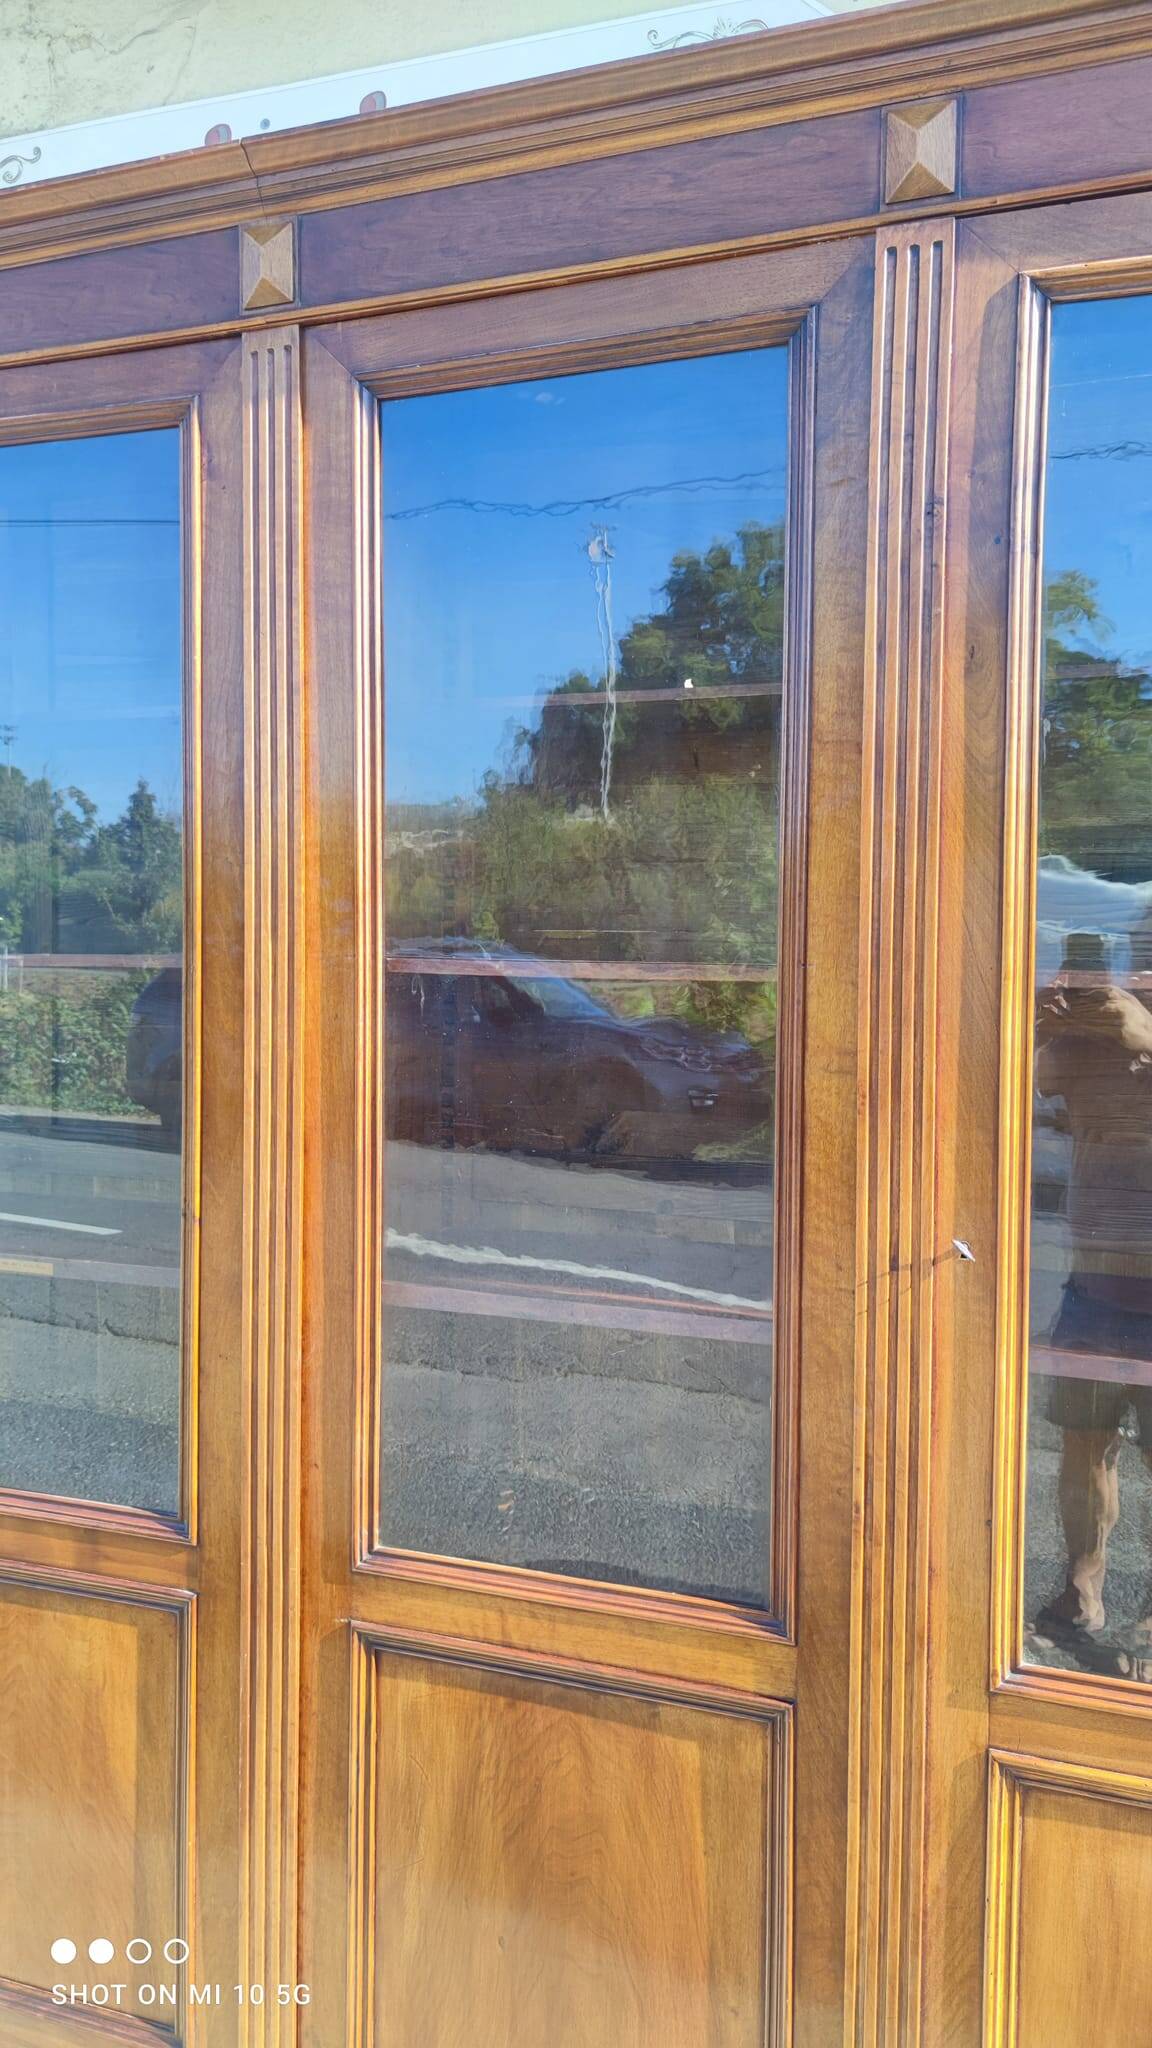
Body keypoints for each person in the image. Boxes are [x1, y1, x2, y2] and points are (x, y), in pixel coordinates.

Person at [1034, 928, 1152, 1669]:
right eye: (1133, 959)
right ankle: (1083, 1593)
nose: (1136, 975)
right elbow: (1005, 1084)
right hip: (1093, 1288)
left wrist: (1143, 1031)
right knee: (1083, 1450)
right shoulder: (1089, 1045)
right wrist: (1037, 1020)